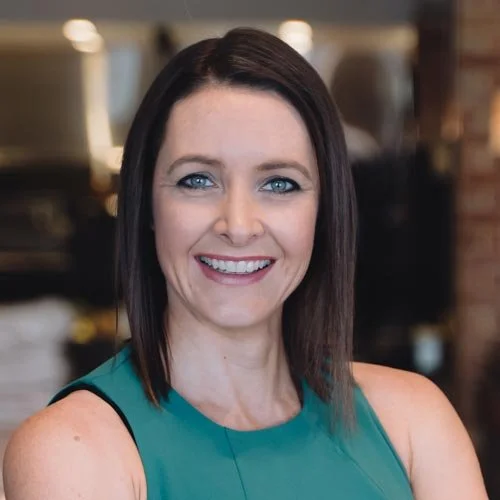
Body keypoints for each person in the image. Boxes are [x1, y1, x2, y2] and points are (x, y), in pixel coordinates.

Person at [3, 28, 487, 500]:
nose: (237, 225)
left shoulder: (413, 421)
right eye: (197, 180)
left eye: (279, 184)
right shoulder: (74, 450)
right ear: (147, 205)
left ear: (323, 212)